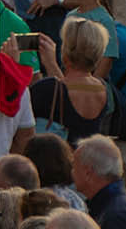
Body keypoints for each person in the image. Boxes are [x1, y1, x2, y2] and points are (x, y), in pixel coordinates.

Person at [30, 18, 114, 146]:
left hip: (55, 163)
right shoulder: (104, 89)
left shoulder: (46, 89)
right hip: (87, 161)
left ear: (65, 51)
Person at [73, 134, 126, 229]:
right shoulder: (109, 204)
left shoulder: (117, 216)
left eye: (74, 167)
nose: (71, 172)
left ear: (88, 173)